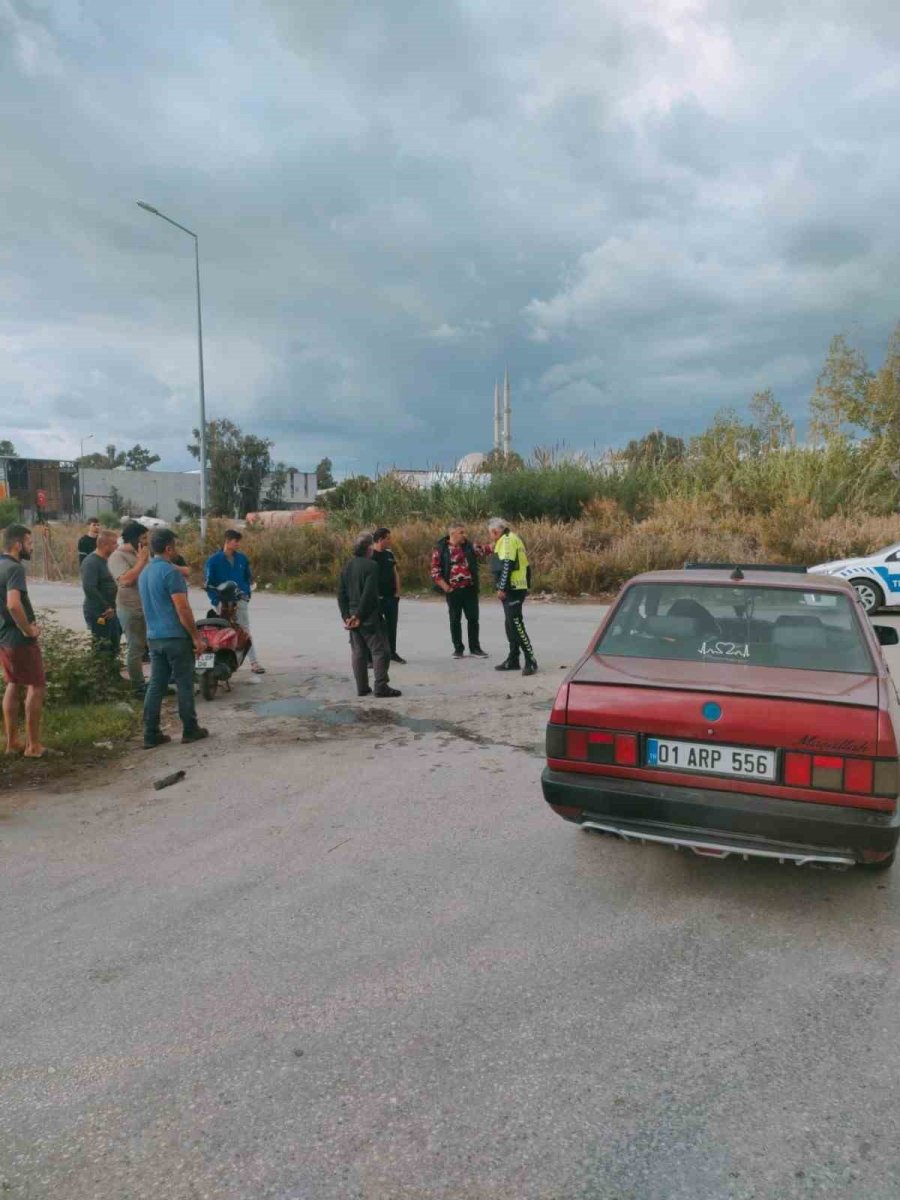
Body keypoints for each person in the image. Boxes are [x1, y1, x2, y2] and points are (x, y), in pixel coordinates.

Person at [138, 527, 208, 748]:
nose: (176, 550)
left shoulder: (144, 573)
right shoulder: (171, 573)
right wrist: (196, 637)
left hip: (154, 638)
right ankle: (190, 729)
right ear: (168, 548)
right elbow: (182, 609)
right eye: (175, 546)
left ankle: (150, 733)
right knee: (184, 683)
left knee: (156, 685)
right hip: (176, 638)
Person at [0, 524, 47, 757]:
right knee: (36, 686)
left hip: (4, 637)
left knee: (13, 684)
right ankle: (33, 746)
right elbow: (13, 604)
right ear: (18, 544)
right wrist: (28, 630)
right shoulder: (15, 568)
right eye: (29, 543)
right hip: (19, 639)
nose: (31, 547)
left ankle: (12, 743)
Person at [338, 533, 400, 698]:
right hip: (367, 616)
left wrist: (347, 616)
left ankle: (362, 687)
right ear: (368, 548)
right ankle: (381, 686)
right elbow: (369, 594)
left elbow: (341, 594)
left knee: (358, 652)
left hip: (352, 616)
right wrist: (359, 615)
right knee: (381, 651)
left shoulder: (347, 566)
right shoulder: (372, 566)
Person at [204, 530, 264, 674]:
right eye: (235, 541)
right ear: (227, 541)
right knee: (219, 631)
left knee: (244, 630)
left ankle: (254, 663)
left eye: (238, 541)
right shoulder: (213, 560)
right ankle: (210, 665)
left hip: (240, 600)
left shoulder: (242, 559)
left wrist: (247, 595)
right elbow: (208, 584)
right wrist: (215, 601)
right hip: (222, 602)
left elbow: (247, 578)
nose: (238, 544)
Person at [431, 522, 490, 659]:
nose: (465, 535)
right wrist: (447, 588)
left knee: (473, 619)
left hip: (469, 589)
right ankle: (458, 649)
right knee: (455, 620)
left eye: (465, 532)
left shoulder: (469, 546)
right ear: (452, 534)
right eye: (461, 532)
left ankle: (475, 648)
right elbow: (435, 572)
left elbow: (483, 550)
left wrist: (497, 542)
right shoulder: (441, 549)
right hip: (453, 591)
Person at [488, 516, 537, 676]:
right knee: (510, 624)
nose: (491, 537)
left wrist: (502, 588)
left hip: (513, 588)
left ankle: (531, 660)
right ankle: (513, 659)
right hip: (516, 586)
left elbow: (507, 564)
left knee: (516, 624)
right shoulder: (510, 539)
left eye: (491, 534)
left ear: (495, 531)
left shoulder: (508, 540)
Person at [109, 521, 150, 696]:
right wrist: (141, 562)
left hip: (147, 607)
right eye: (143, 538)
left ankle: (157, 683)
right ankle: (138, 686)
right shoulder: (117, 557)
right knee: (136, 647)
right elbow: (125, 580)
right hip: (130, 608)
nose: (146, 542)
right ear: (133, 539)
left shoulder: (140, 553)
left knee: (153, 646)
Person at [80, 529, 121, 661]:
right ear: (104, 545)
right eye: (114, 543)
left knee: (114, 643)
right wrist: (105, 607)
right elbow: (89, 588)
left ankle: (113, 675)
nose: (117, 546)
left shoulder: (109, 561)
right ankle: (101, 677)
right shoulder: (91, 562)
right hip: (99, 611)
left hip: (113, 610)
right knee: (102, 646)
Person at [372, 527, 405, 664]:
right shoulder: (370, 555)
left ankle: (392, 652)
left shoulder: (389, 554)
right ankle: (372, 657)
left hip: (391, 597)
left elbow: (395, 572)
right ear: (380, 539)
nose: (390, 541)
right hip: (375, 599)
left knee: (392, 626)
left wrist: (397, 592)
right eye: (388, 538)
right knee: (374, 628)